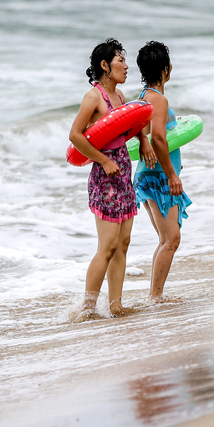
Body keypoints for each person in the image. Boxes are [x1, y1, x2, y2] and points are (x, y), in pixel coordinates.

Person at [68, 38, 155, 317]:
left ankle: (116, 305)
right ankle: (87, 309)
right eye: (121, 60)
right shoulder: (94, 97)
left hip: (123, 175)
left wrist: (143, 140)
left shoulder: (120, 97)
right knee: (107, 246)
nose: (127, 66)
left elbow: (133, 121)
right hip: (105, 177)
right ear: (105, 66)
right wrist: (103, 160)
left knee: (123, 244)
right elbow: (75, 136)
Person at [133, 41, 192, 303]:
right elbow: (157, 137)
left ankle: (154, 295)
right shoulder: (160, 99)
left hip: (146, 175)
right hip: (159, 178)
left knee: (165, 238)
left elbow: (147, 136)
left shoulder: (142, 97)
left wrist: (174, 165)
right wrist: (172, 174)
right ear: (168, 69)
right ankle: (155, 298)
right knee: (172, 239)